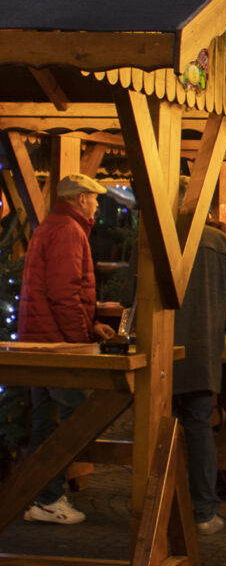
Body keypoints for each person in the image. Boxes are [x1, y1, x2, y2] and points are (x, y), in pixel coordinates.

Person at [18, 173, 116, 524]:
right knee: (78, 418)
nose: (96, 203)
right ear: (79, 199)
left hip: (39, 339)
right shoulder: (69, 231)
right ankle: (46, 496)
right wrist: (80, 341)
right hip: (57, 345)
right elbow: (64, 293)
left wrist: (89, 324)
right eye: (93, 197)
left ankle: (38, 495)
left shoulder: (53, 225)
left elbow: (55, 290)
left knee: (47, 422)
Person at [172, 219, 226, 534]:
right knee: (199, 429)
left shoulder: (152, 239)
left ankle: (158, 507)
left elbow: (128, 294)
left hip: (160, 351)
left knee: (156, 428)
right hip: (202, 351)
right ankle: (202, 511)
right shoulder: (220, 242)